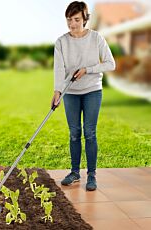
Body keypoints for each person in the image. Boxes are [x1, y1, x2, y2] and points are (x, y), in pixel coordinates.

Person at [51, 1, 115, 191]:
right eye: (69, 20)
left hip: (92, 91)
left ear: (85, 19)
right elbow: (59, 69)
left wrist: (88, 69)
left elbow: (110, 64)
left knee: (90, 133)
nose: (72, 24)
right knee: (74, 134)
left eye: (76, 19)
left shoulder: (96, 38)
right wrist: (57, 91)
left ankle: (92, 175)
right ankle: (75, 172)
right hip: (70, 93)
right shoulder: (61, 42)